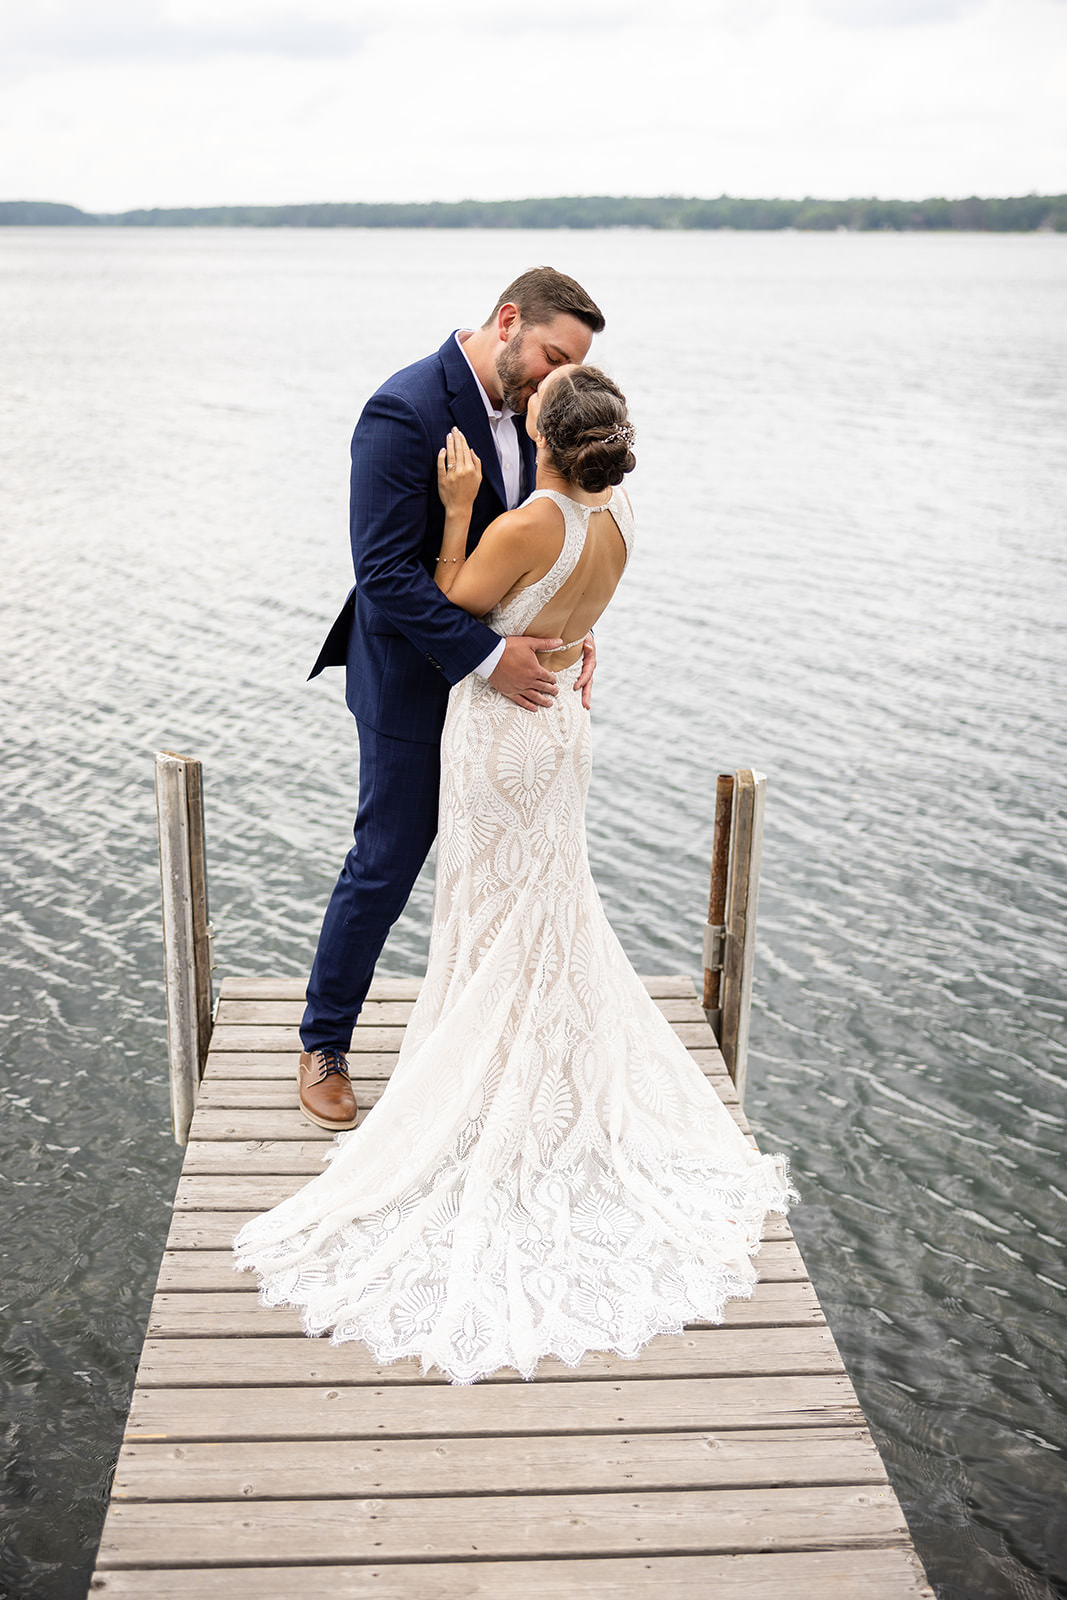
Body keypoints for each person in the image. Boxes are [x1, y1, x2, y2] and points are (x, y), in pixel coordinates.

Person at [234, 364, 798, 1384]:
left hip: (502, 729)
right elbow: (580, 622)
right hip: (566, 720)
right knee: (550, 905)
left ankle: (489, 1082)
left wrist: (455, 512)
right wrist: (570, 645)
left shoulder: (525, 523)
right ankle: (544, 1071)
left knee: (492, 911)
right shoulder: (617, 515)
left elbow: (451, 597)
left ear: (541, 435)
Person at [295, 267, 606, 1134]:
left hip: (504, 699)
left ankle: (489, 1047)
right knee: (388, 858)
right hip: (406, 679)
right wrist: (483, 656)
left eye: (569, 366)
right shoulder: (403, 409)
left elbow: (542, 546)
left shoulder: (541, 419)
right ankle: (323, 1042)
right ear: (507, 320)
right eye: (550, 356)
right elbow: (383, 573)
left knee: (498, 866)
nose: (554, 381)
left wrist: (574, 635)